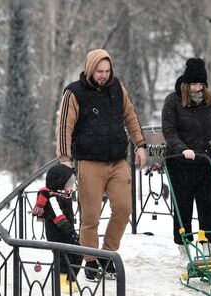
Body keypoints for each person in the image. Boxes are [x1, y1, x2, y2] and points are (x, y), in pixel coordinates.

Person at [55, 49, 147, 281]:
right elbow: (64, 125)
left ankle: (107, 253)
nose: (104, 75)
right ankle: (91, 260)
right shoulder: (74, 92)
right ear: (90, 69)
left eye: (107, 71)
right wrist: (65, 158)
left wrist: (140, 144)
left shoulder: (117, 87)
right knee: (90, 216)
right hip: (88, 161)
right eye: (100, 71)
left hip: (117, 160)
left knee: (124, 208)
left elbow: (130, 116)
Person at [161, 58, 211, 256]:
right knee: (183, 206)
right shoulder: (173, 101)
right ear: (185, 83)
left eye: (200, 84)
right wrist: (182, 149)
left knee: (207, 206)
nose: (197, 88)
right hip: (181, 163)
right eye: (193, 84)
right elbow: (169, 131)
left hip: (206, 163)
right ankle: (183, 247)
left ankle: (208, 245)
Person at [31, 164, 82, 294]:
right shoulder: (53, 198)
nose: (72, 185)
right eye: (69, 183)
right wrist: (71, 233)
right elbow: (59, 218)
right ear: (60, 183)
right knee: (63, 258)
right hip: (57, 235)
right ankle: (61, 281)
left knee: (77, 255)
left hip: (67, 233)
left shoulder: (64, 196)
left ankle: (71, 280)